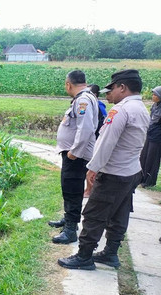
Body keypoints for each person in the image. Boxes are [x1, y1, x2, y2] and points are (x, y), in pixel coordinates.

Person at [58, 69, 149, 270]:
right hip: (131, 171)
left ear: (122, 88)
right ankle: (110, 253)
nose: (110, 94)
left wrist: (93, 168)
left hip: (114, 173)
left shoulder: (121, 110)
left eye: (113, 89)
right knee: (119, 213)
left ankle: (84, 256)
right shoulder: (142, 108)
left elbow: (106, 143)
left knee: (93, 214)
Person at [48, 70, 98, 244]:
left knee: (72, 190)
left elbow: (85, 129)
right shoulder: (84, 98)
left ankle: (70, 230)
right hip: (74, 155)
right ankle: (69, 220)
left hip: (76, 156)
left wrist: (73, 153)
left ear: (68, 84)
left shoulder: (83, 100)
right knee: (69, 189)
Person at [83, 84, 108, 197]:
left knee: (92, 167)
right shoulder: (89, 104)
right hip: (91, 139)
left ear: (95, 94)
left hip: (96, 139)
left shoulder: (100, 106)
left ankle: (89, 190)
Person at [139, 86, 161, 188]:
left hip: (157, 137)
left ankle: (149, 181)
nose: (153, 96)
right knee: (144, 156)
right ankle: (141, 178)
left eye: (155, 95)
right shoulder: (155, 106)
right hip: (150, 133)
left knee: (152, 158)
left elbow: (155, 121)